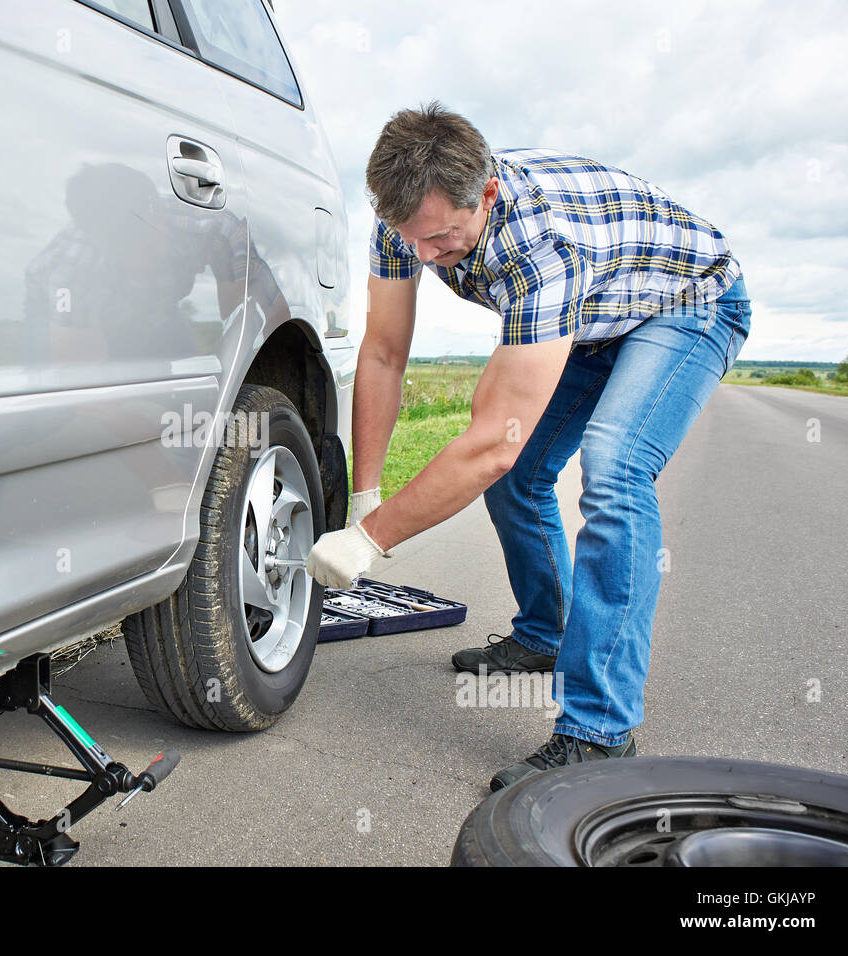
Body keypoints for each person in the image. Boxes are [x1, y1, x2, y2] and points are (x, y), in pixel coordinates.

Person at [305, 102, 751, 790]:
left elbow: (491, 444)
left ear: (483, 195)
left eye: (444, 242)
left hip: (687, 306)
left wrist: (368, 540)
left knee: (613, 468)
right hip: (595, 318)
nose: (425, 256)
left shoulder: (544, 246)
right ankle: (547, 632)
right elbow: (386, 353)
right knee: (521, 481)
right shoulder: (409, 218)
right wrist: (368, 493)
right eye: (412, 240)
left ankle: (600, 732)